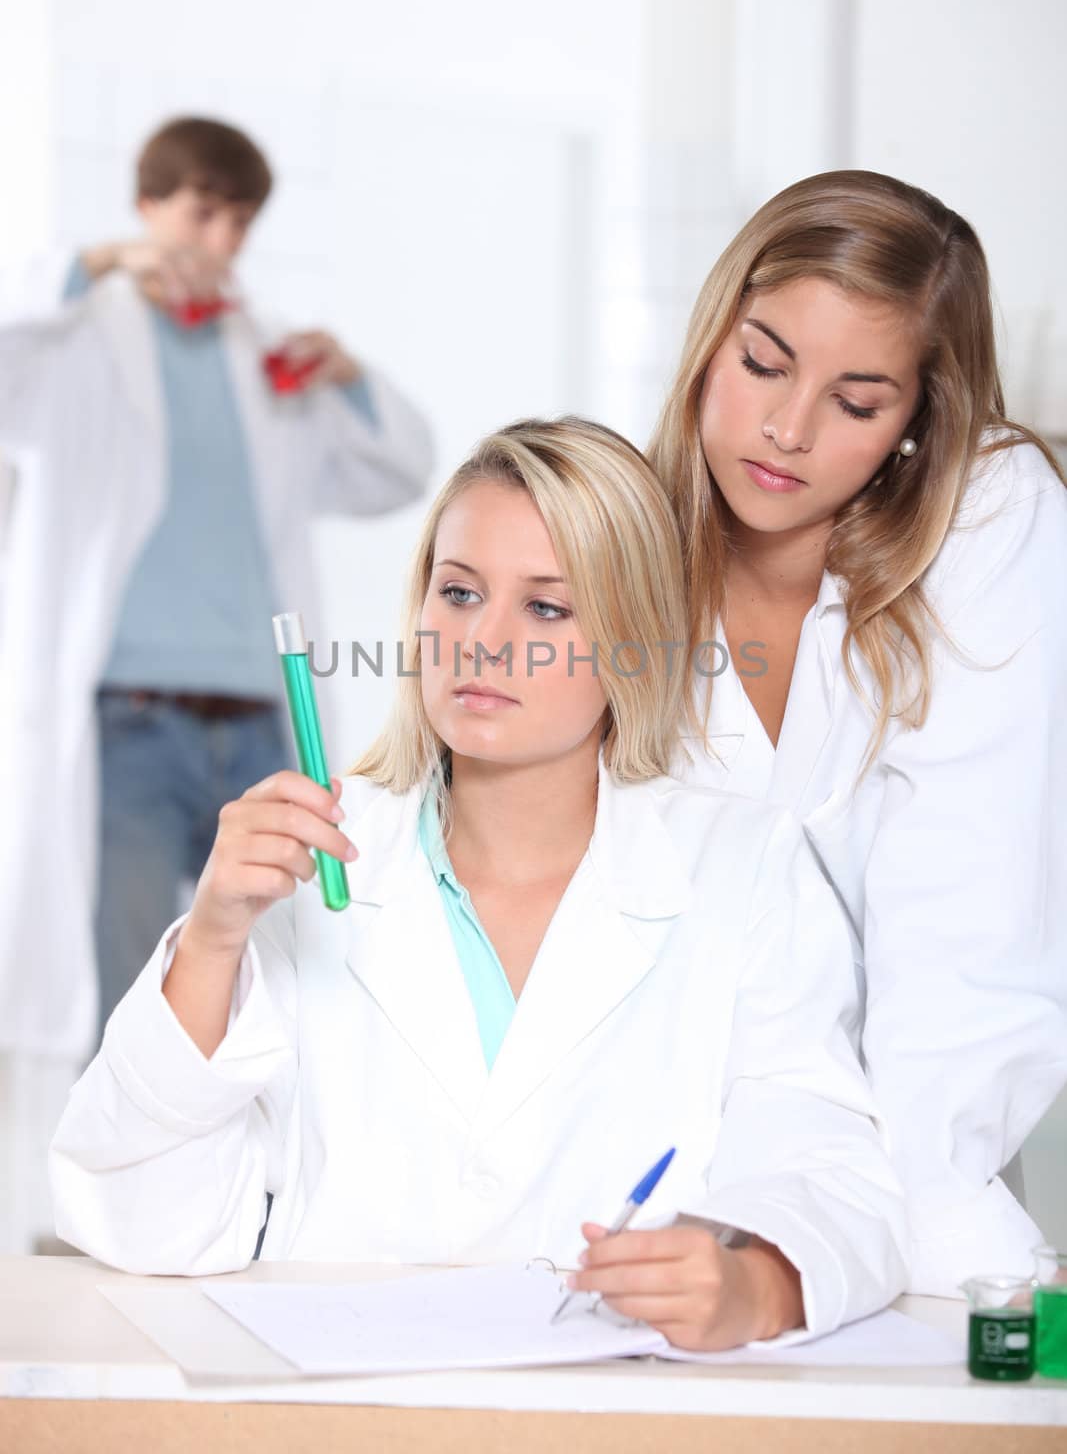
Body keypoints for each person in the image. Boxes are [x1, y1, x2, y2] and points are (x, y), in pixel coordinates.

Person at [50, 418, 907, 1349]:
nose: (484, 642)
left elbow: (833, 1174)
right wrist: (212, 940)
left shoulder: (744, 867)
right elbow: (146, 1226)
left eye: (547, 608)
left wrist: (758, 1285)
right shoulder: (314, 869)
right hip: (343, 1418)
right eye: (458, 593)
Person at [0, 116, 432, 1250]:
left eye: (238, 217)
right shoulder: (72, 336)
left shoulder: (266, 350)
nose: (219, 235)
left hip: (259, 713)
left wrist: (345, 378)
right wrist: (93, 267)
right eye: (200, 209)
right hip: (127, 719)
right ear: (147, 208)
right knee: (135, 974)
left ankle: (267, 1202)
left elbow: (398, 468)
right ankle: (101, 1217)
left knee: (303, 964)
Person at [647, 169, 1067, 1297]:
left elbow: (970, 920)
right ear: (711, 338)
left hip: (905, 1184)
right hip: (661, 1182)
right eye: (763, 363)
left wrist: (911, 1220)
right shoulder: (623, 544)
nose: (784, 429)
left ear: (918, 416)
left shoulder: (990, 513)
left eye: (856, 398)